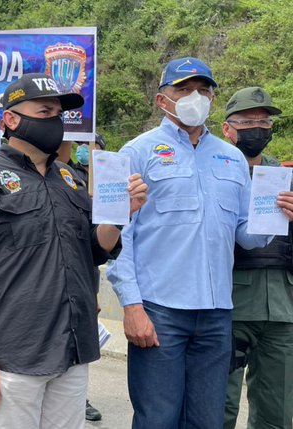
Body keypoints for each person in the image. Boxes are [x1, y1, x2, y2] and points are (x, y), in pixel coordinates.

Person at [0, 73, 147, 429]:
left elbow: (94, 251)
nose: (55, 120)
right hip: (16, 352)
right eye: (44, 111)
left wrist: (120, 215)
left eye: (58, 113)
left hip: (72, 347)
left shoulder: (71, 179)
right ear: (11, 119)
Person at [106, 57, 293, 428]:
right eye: (184, 89)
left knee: (207, 420)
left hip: (216, 313)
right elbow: (119, 237)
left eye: (203, 89)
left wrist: (276, 217)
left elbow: (246, 235)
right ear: (162, 99)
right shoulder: (135, 152)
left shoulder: (231, 158)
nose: (196, 97)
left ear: (212, 99)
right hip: (159, 310)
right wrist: (131, 305)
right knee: (158, 419)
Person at [221, 87, 293, 429]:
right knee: (218, 406)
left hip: (282, 307)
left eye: (264, 122)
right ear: (227, 128)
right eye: (249, 121)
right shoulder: (217, 170)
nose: (258, 128)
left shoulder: (284, 176)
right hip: (229, 304)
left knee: (276, 412)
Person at [57, 137, 103, 422]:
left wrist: (91, 292)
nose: (82, 149)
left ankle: (80, 398)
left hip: (81, 283)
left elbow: (91, 247)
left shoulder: (78, 179)